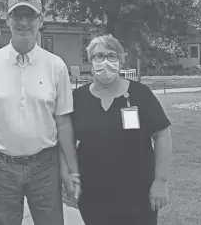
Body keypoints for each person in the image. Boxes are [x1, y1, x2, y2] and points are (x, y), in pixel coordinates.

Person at [0, 0, 80, 225]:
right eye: (17, 16)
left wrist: (71, 171)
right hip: (0, 169)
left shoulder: (55, 66)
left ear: (41, 21)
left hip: (45, 168)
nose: (24, 22)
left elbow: (64, 123)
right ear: (8, 19)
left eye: (31, 16)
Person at [69, 34, 173, 225]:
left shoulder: (141, 95)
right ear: (91, 61)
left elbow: (162, 135)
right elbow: (67, 142)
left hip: (138, 195)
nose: (105, 62)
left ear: (121, 60)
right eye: (99, 56)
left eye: (111, 56)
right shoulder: (78, 98)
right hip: (93, 195)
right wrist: (70, 176)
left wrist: (160, 181)